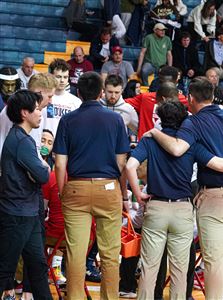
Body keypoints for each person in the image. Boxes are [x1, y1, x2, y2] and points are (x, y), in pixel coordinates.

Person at [127, 100, 223, 300]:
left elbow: (130, 166)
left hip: (156, 207)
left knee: (149, 267)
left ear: (159, 119)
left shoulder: (149, 140)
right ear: (184, 119)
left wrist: (138, 194)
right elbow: (218, 163)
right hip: (183, 209)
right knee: (181, 269)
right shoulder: (192, 144)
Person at [53, 71, 130, 299]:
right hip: (108, 187)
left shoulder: (67, 120)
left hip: (77, 186)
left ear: (78, 92)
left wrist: (61, 190)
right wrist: (121, 190)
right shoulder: (115, 119)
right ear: (101, 93)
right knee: (109, 253)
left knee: (76, 252)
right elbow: (122, 161)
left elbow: (59, 163)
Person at [0, 90, 51, 300]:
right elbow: (43, 174)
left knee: (38, 267)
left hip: (27, 213)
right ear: (24, 113)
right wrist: (42, 168)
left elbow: (37, 174)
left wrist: (39, 170)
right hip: (17, 214)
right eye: (37, 109)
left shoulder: (23, 139)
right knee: (5, 270)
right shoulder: (21, 141)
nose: (40, 113)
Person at [46, 59, 82, 136]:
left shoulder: (76, 102)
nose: (62, 80)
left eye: (65, 77)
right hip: (45, 143)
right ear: (51, 76)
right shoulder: (43, 98)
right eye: (58, 77)